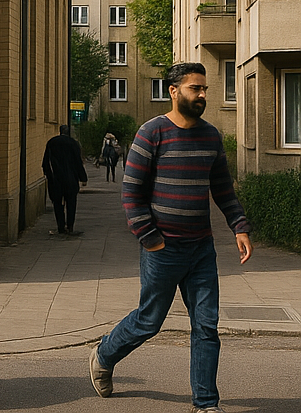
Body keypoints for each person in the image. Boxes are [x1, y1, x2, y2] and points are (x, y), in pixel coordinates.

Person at [89, 62, 252, 413]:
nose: (203, 94)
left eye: (205, 88)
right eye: (196, 88)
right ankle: (104, 354)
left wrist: (239, 226)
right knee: (149, 321)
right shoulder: (152, 133)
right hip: (163, 249)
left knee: (206, 326)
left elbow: (223, 189)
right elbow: (131, 192)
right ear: (174, 91)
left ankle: (206, 404)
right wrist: (151, 238)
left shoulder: (211, 136)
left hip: (201, 250)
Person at [41, 124, 88, 236]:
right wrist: (83, 178)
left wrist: (48, 175)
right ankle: (70, 225)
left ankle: (61, 226)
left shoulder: (52, 143)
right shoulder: (73, 144)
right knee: (71, 203)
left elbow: (45, 162)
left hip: (56, 179)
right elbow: (78, 162)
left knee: (57, 203)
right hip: (71, 179)